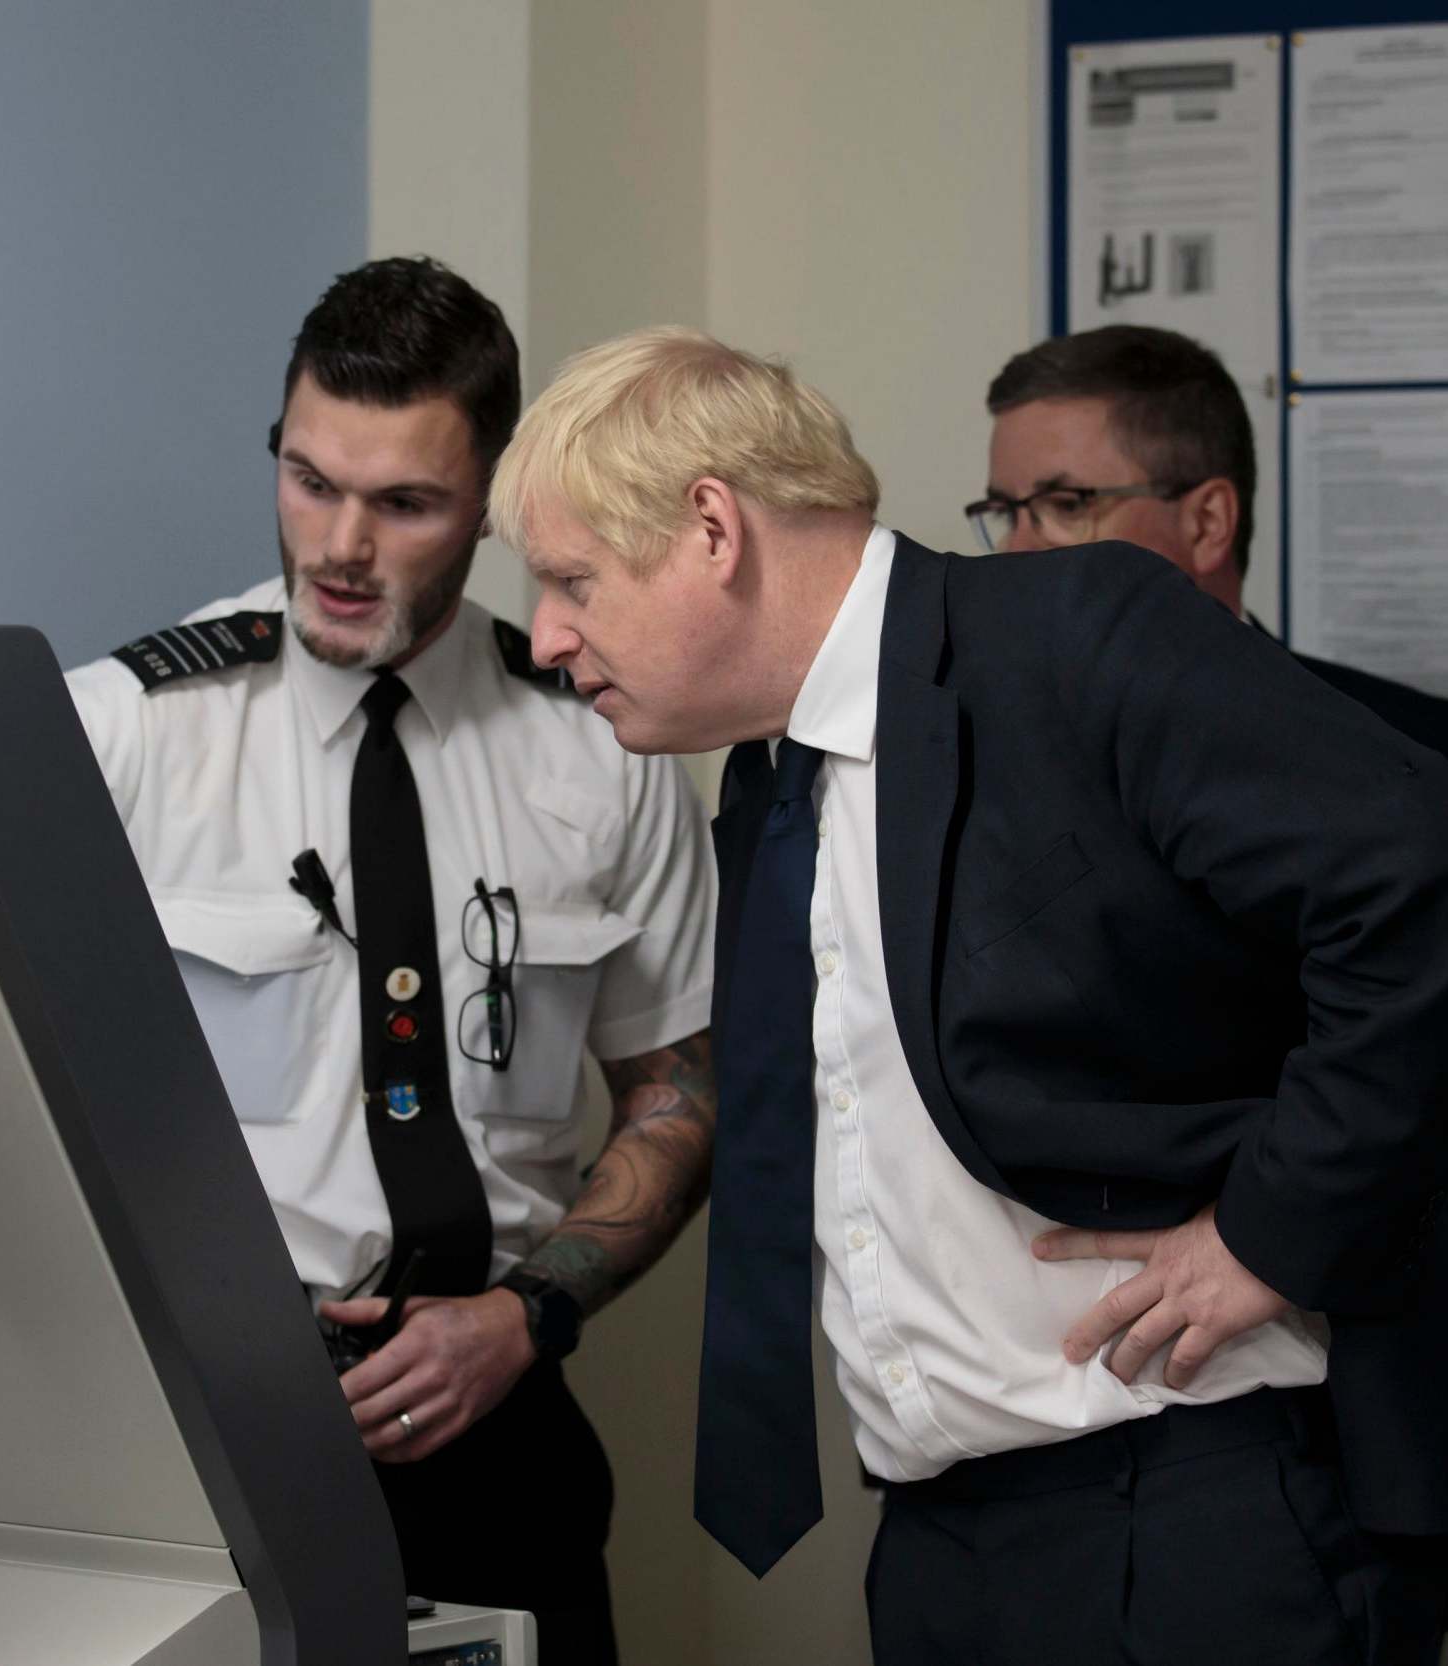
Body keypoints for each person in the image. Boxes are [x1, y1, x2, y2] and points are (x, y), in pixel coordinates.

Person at [488, 325, 1448, 1665]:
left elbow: (1416, 883)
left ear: (712, 529)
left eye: (571, 579)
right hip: (944, 1544)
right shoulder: (771, 785)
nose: (546, 635)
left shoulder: (1076, 632)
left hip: (1187, 1512)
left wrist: (1276, 1230)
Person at [66, 257, 718, 1661]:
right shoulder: (122, 730)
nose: (341, 545)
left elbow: (683, 1085)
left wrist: (529, 1312)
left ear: (487, 506)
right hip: (202, 1435)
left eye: (405, 503)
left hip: (501, 1426)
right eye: (310, 481)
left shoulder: (597, 743)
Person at [975, 322, 1448, 751]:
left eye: (1067, 505)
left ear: (1207, 524)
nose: (1013, 550)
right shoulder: (967, 751)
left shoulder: (1411, 751)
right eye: (1003, 513)